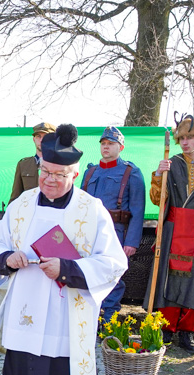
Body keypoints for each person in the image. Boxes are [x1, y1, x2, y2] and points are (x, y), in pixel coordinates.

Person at [0, 125, 127, 375]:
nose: (49, 179)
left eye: (59, 175)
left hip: (66, 314)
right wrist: (6, 258)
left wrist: (68, 268)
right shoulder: (21, 204)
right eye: (45, 171)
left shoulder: (90, 210)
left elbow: (113, 262)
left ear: (75, 173)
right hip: (25, 310)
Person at [144, 116, 194, 354]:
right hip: (172, 229)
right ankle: (166, 330)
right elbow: (158, 201)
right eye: (181, 138)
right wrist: (158, 175)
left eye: (190, 138)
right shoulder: (171, 163)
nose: (185, 142)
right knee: (168, 277)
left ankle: (187, 333)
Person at [80, 126, 146, 324]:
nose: (106, 147)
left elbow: (137, 210)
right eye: (103, 144)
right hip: (89, 232)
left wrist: (132, 242)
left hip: (117, 233)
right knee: (87, 275)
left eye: (111, 144)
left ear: (121, 147)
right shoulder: (90, 171)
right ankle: (88, 320)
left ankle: (109, 323)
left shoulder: (131, 172)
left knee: (113, 277)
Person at [9, 122, 56, 203]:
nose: (41, 140)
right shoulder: (23, 164)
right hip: (28, 212)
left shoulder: (59, 165)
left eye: (45, 137)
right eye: (38, 136)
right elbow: (16, 196)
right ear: (34, 139)